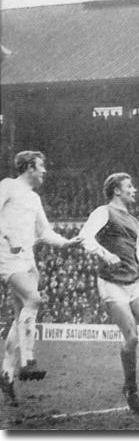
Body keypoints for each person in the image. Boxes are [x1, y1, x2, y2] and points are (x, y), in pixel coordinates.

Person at [79, 173, 139, 414]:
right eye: (129, 186)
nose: (134, 189)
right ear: (117, 191)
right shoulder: (103, 212)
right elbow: (85, 237)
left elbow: (136, 251)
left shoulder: (133, 220)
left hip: (136, 280)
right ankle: (130, 388)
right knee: (131, 336)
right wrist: (104, 254)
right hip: (112, 282)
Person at [0, 151, 83, 405]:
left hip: (27, 259)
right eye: (41, 166)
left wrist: (67, 242)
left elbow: (44, 231)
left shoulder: (34, 198)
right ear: (28, 167)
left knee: (22, 315)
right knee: (34, 299)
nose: (45, 170)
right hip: (6, 255)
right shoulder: (8, 186)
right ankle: (28, 361)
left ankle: (6, 373)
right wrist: (10, 237)